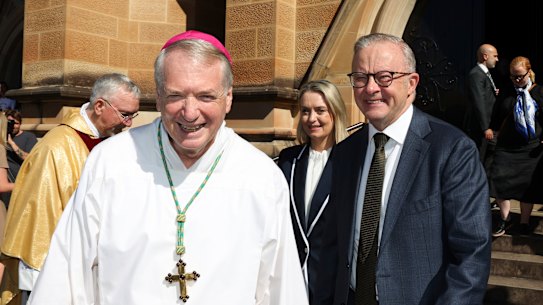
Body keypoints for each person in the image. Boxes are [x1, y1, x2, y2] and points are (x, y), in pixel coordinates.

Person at [27, 30, 308, 305]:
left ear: (229, 98)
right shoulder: (110, 162)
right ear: (159, 97)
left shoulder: (261, 177)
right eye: (175, 96)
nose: (189, 112)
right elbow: (67, 274)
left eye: (206, 96)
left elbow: (280, 287)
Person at [314, 33, 491, 305]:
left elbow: (471, 255)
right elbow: (332, 245)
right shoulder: (345, 152)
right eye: (360, 78)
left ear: (411, 83)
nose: (370, 88)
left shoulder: (452, 150)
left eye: (384, 77)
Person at [0, 73, 140, 303]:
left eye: (132, 115)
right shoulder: (57, 147)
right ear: (100, 106)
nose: (129, 123)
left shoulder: (109, 141)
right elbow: (39, 219)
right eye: (125, 115)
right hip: (56, 272)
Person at [277, 79, 348, 304]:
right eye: (305, 111)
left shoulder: (351, 161)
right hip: (291, 281)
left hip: (332, 285)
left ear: (335, 113)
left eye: (320, 110)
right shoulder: (288, 161)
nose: (311, 119)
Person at [489, 56, 543, 237]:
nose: (517, 80)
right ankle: (505, 219)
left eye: (521, 76)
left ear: (529, 72)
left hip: (530, 149)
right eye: (513, 77)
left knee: (528, 186)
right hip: (506, 148)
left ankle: (525, 222)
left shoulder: (539, 92)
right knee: (498, 182)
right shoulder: (506, 92)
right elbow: (496, 114)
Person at [465, 44, 499, 184]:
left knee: (487, 159)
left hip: (487, 126)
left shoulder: (485, 74)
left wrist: (493, 92)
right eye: (495, 56)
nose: (497, 59)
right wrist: (485, 127)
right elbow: (479, 101)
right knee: (479, 159)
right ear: (485, 56)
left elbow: (484, 95)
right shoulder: (476, 74)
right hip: (479, 128)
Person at [1, 110, 38, 206]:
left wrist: (12, 143)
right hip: (5, 184)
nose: (13, 125)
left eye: (16, 123)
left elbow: (30, 159)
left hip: (18, 182)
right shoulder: (1, 138)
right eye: (9, 122)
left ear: (20, 124)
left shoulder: (29, 137)